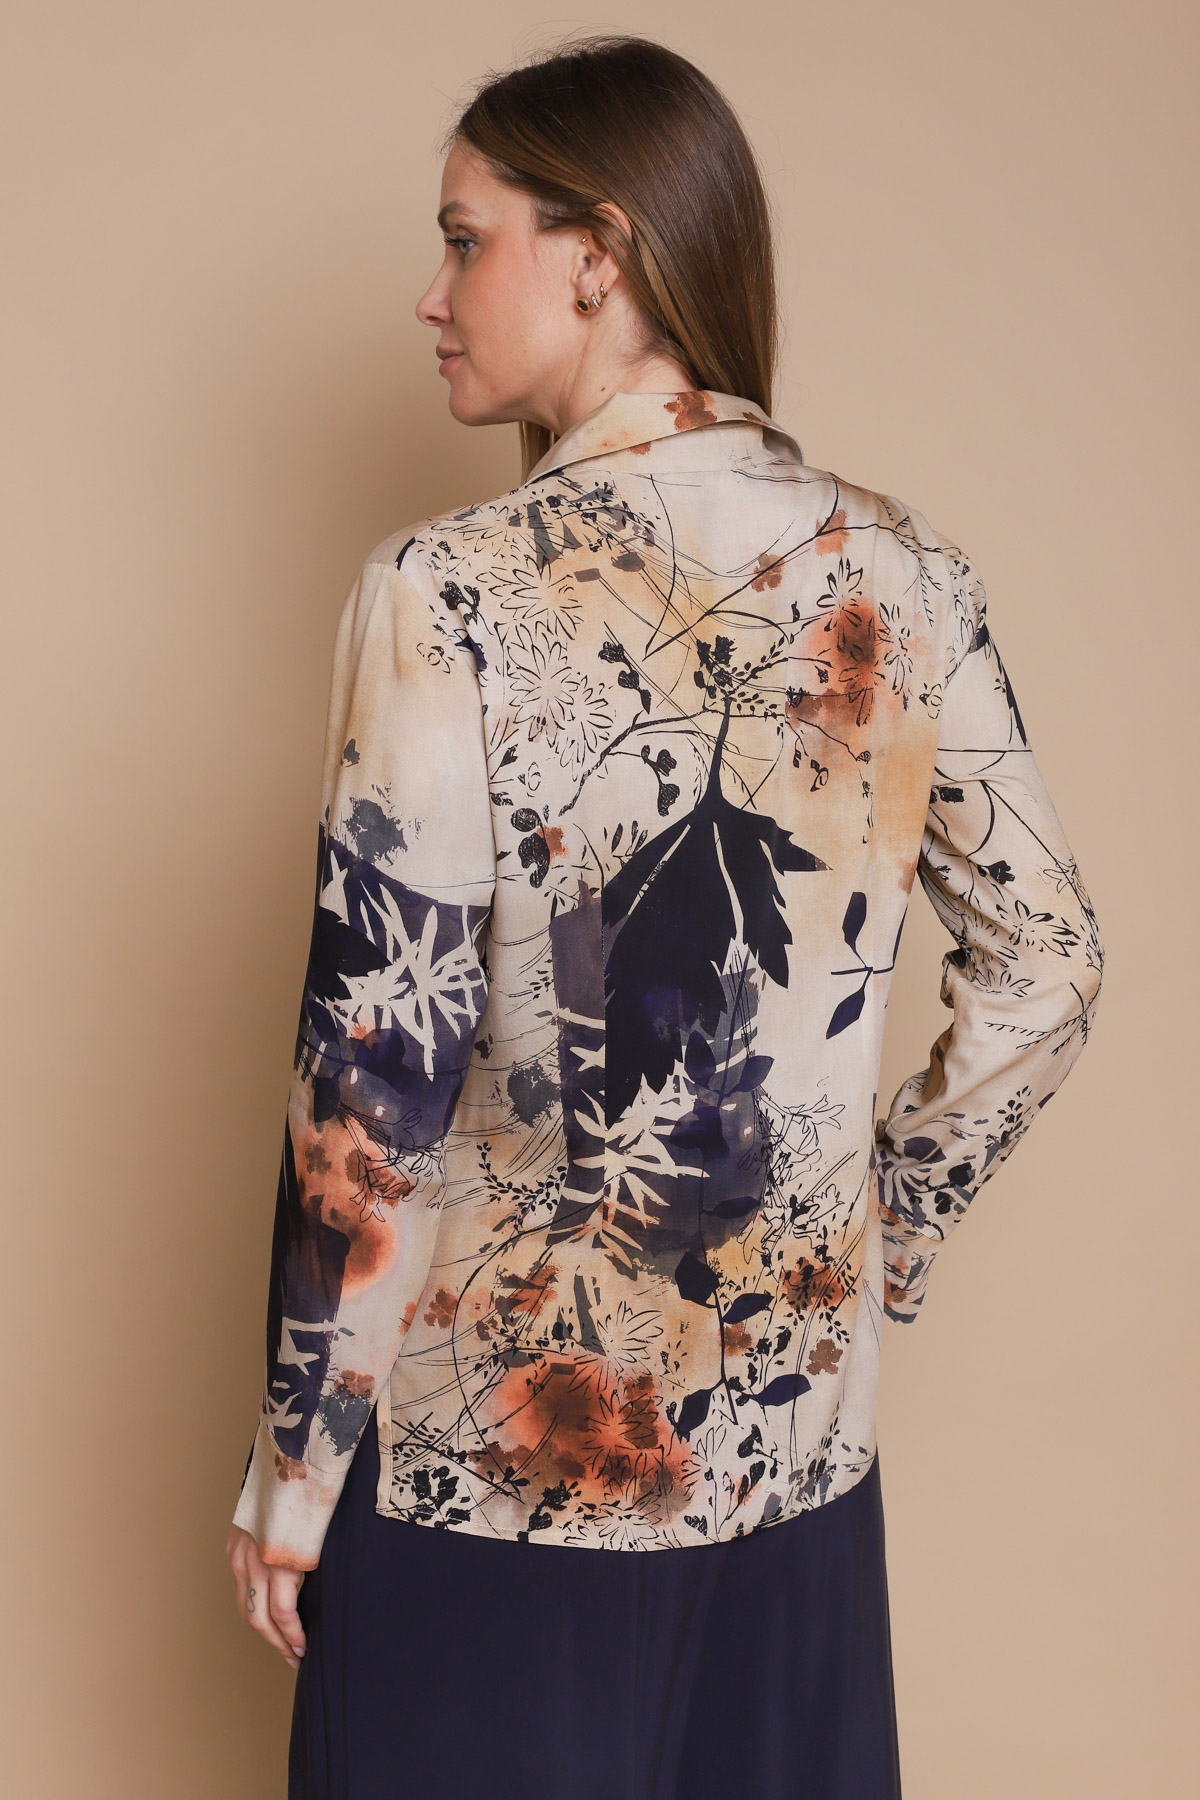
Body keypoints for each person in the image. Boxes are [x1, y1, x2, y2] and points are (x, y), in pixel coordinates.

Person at [225, 31, 1104, 1800]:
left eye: (465, 238)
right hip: (796, 1473)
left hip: (491, 1487)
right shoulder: (900, 577)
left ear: (598, 253)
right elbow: (1051, 965)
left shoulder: (448, 593)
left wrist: (297, 1467)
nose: (430, 296)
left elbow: (376, 1080)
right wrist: (882, 1232)